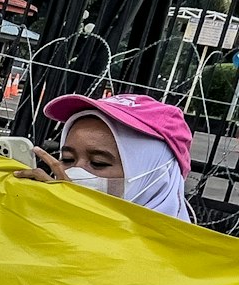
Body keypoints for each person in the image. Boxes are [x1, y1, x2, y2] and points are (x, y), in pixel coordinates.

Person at [18, 93, 195, 220]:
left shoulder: (186, 265)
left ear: (156, 177)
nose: (74, 173)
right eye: (67, 160)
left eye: (98, 163)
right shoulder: (41, 220)